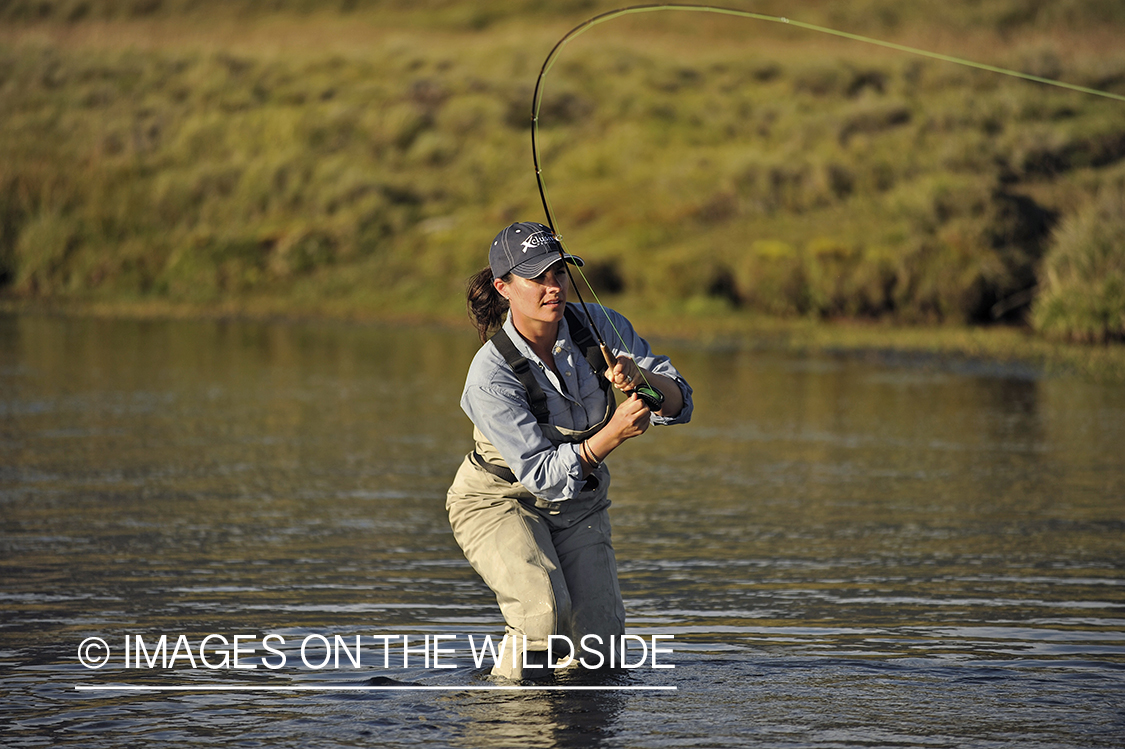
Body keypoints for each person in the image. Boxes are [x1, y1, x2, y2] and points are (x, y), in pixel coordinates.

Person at [446, 221, 693, 680]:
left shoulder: (602, 325)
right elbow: (541, 474)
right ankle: (512, 720)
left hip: (579, 502)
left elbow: (677, 402)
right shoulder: (489, 375)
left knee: (601, 648)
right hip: (499, 501)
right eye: (536, 278)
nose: (553, 287)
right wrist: (613, 434)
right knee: (544, 613)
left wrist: (641, 379)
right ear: (504, 288)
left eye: (559, 273)